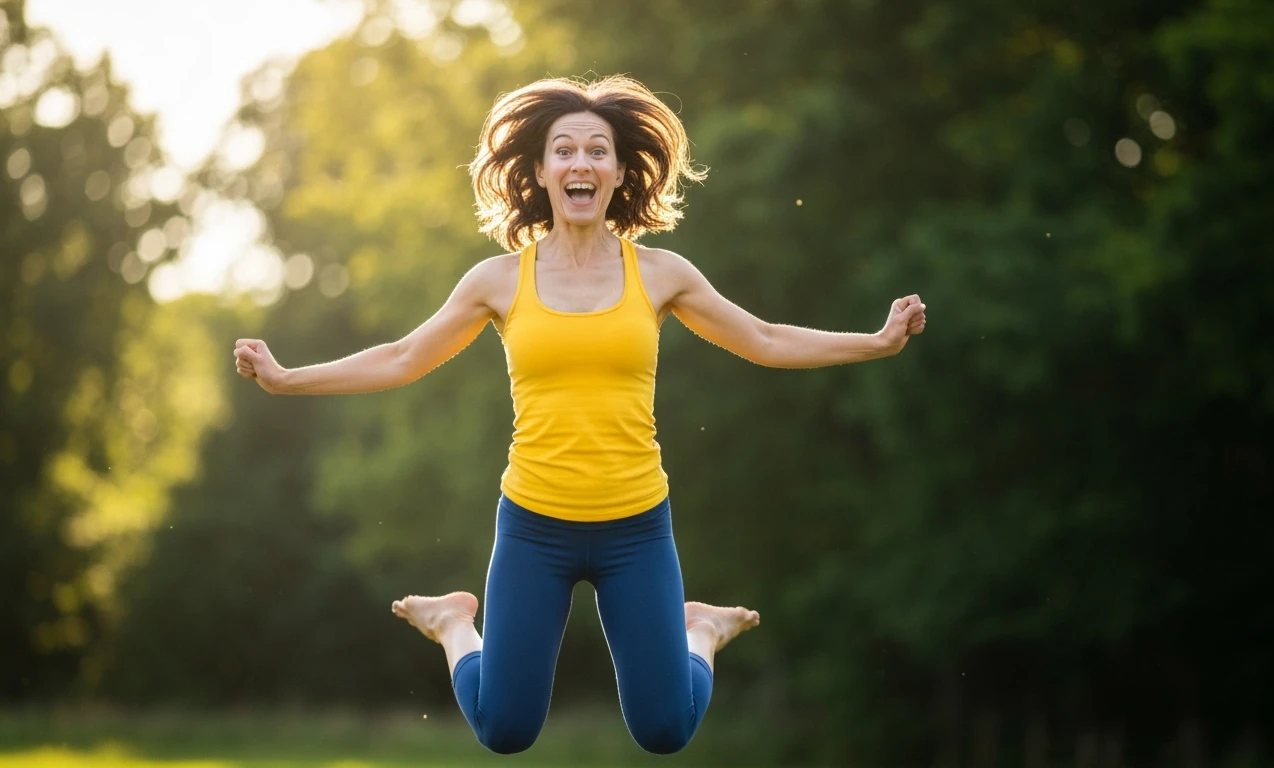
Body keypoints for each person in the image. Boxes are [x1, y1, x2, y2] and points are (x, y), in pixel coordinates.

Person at [232, 75, 926, 755]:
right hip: (535, 525)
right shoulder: (499, 281)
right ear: (540, 171)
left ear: (621, 173)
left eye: (597, 150)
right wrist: (289, 378)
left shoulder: (660, 274)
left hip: (636, 529)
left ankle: (702, 633)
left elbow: (767, 340)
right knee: (505, 731)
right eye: (564, 150)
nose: (580, 163)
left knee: (665, 731)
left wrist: (876, 340)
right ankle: (451, 625)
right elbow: (403, 357)